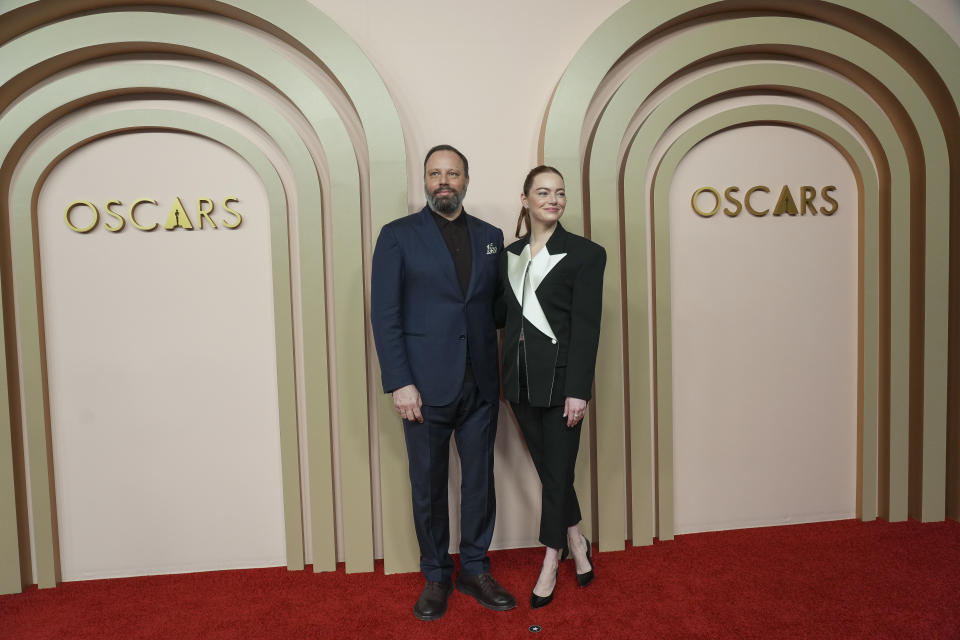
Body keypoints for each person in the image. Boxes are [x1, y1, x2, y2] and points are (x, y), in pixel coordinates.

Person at [370, 144, 516, 621]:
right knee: (428, 486)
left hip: (480, 384)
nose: (443, 181)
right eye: (435, 174)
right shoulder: (397, 236)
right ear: (425, 180)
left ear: (466, 180)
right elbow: (385, 316)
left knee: (479, 482)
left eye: (452, 173)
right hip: (424, 387)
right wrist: (400, 382)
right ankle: (435, 575)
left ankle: (474, 568)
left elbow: (498, 308)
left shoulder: (491, 237)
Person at [496, 165, 605, 608]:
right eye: (543, 192)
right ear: (525, 200)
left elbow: (587, 327)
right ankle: (577, 541)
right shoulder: (508, 254)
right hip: (519, 385)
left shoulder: (585, 254)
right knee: (553, 472)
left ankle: (550, 557)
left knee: (557, 473)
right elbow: (499, 318)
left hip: (562, 384)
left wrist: (579, 389)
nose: (553, 199)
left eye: (559, 193)